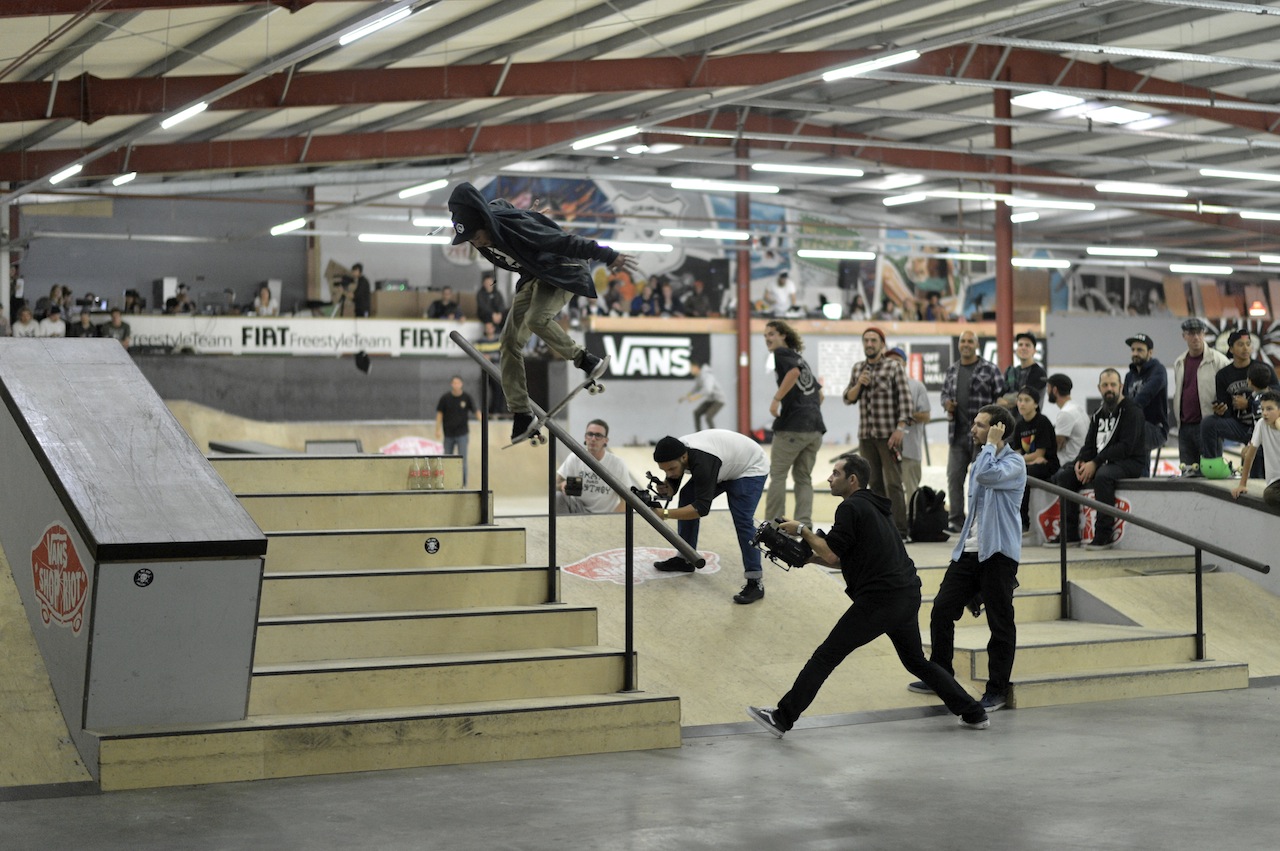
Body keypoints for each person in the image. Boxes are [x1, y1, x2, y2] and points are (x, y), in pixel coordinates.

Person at [746, 452, 990, 739]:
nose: (829, 478)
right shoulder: (873, 505)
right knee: (916, 662)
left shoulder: (850, 508)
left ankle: (781, 717)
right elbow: (841, 558)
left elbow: (831, 553)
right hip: (905, 593)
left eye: (836, 473)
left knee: (826, 656)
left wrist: (802, 530)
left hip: (881, 599)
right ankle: (974, 713)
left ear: (852, 479)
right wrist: (809, 558)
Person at [447, 181, 635, 443]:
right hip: (533, 276)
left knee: (537, 319)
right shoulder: (484, 231)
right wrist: (525, 213)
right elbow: (499, 205)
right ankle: (521, 413)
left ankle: (585, 359)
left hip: (562, 269)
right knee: (508, 341)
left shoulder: (517, 229)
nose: (477, 243)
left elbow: (565, 241)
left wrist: (607, 255)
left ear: (485, 224)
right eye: (471, 240)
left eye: (477, 236)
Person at [908, 404, 1025, 712]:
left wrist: (991, 446)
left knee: (1000, 624)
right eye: (974, 424)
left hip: (998, 553)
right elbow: (974, 510)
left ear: (998, 430)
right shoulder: (979, 461)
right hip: (969, 552)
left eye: (981, 425)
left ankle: (997, 690)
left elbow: (987, 475)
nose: (973, 429)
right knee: (942, 609)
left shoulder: (1014, 463)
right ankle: (941, 675)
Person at [649, 430, 769, 604]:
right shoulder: (678, 451)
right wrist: (669, 488)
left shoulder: (703, 461)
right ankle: (686, 558)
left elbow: (701, 509)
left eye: (671, 469)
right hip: (724, 465)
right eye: (664, 470)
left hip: (750, 468)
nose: (668, 473)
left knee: (743, 521)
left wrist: (665, 514)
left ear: (684, 457)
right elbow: (675, 477)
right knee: (687, 497)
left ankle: (755, 581)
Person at [1047, 369, 1148, 549]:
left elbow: (1126, 447)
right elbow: (1089, 445)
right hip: (1102, 460)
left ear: (1121, 386)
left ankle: (1103, 534)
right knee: (1066, 475)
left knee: (1103, 476)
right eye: (1105, 385)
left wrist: (1095, 462)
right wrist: (1080, 462)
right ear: (1099, 388)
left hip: (1130, 462)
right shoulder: (1098, 413)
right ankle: (1069, 534)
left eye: (1113, 385)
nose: (1109, 388)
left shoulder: (1133, 411)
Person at [842, 326, 913, 537]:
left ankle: (900, 530)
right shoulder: (858, 368)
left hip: (888, 435)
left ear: (882, 344)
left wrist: (900, 429)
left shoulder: (893, 367)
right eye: (866, 341)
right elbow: (848, 398)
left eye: (874, 340)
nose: (869, 344)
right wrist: (859, 384)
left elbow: (905, 401)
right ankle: (881, 527)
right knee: (873, 483)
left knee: (893, 483)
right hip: (866, 435)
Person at [940, 330, 1005, 533]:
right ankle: (956, 520)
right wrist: (947, 403)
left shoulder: (990, 370)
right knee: (954, 477)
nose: (966, 344)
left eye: (970, 341)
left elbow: (1001, 399)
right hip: (957, 434)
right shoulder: (952, 370)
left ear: (977, 345)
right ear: (959, 345)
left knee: (979, 478)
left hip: (983, 437)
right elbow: (944, 395)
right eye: (963, 341)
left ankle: (978, 519)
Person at [764, 320, 825, 527]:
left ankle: (774, 525)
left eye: (771, 334)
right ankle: (804, 525)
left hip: (793, 426)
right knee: (803, 477)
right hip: (815, 427)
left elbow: (793, 373)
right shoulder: (800, 358)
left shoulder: (780, 354)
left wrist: (776, 399)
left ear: (783, 335)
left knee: (778, 475)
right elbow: (820, 395)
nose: (767, 339)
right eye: (765, 336)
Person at [1199, 330, 1270, 477]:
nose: (1245, 348)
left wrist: (1248, 403)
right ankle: (1213, 467)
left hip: (1263, 427)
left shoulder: (1263, 368)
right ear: (1231, 349)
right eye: (1240, 344)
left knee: (1254, 469)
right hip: (1239, 425)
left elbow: (1276, 396)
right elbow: (1226, 410)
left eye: (1248, 344)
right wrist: (1221, 410)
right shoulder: (1223, 375)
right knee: (1209, 423)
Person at [1172, 317, 1228, 477]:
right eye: (1191, 333)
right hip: (1185, 427)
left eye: (1199, 333)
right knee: (1187, 475)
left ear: (1204, 334)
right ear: (1184, 336)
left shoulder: (1219, 361)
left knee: (1211, 475)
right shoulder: (1179, 362)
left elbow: (1229, 392)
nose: (1195, 337)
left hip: (1209, 427)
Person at [555, 419, 640, 514]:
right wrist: (562, 485)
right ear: (585, 437)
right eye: (590, 434)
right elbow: (555, 484)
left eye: (598, 435)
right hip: (579, 511)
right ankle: (563, 523)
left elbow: (626, 499)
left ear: (605, 440)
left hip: (606, 514)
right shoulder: (574, 458)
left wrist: (612, 519)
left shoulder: (617, 464)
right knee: (558, 496)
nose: (593, 439)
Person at [886, 346, 931, 500]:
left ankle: (912, 516)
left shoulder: (917, 386)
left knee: (911, 494)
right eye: (889, 361)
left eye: (897, 361)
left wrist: (904, 416)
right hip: (886, 451)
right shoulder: (880, 387)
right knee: (887, 493)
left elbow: (926, 416)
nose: (893, 364)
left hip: (910, 451)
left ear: (905, 364)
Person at [1012, 386, 1059, 533]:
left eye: (1027, 400)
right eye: (1020, 400)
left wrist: (1022, 460)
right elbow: (1017, 452)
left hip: (1048, 465)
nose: (1022, 404)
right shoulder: (1019, 425)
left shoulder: (1042, 422)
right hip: (1029, 464)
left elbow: (1040, 454)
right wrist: (1022, 460)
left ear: (1036, 404)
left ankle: (1023, 522)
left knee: (1022, 474)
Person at [1122, 332, 1169, 466]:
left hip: (1156, 429)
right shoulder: (1129, 376)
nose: (1135, 353)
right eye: (1133, 350)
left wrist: (1125, 414)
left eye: (1140, 350)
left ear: (1150, 352)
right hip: (1134, 426)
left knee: (1134, 429)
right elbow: (1123, 401)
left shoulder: (1158, 371)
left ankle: (1141, 477)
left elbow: (1145, 396)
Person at [1233, 391, 1280, 508]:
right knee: (1270, 495)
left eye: (1269, 409)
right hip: (1276, 482)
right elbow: (1250, 455)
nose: (1264, 413)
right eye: (1262, 409)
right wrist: (1242, 484)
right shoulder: (1261, 424)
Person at [435, 376, 479, 486]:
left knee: (462, 459)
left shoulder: (466, 397)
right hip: (448, 434)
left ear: (461, 384)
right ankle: (446, 482)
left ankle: (463, 484)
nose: (456, 385)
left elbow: (475, 410)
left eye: (458, 383)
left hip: (462, 433)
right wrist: (437, 429)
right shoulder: (445, 398)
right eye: (454, 383)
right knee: (447, 459)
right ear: (451, 384)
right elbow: (439, 414)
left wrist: (483, 421)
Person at [1046, 374, 1088, 469]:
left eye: (1048, 387)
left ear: (1054, 390)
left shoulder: (1065, 413)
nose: (1047, 391)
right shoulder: (1077, 408)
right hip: (1078, 461)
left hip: (1069, 464)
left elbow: (1057, 445)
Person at [1000, 331, 1047, 408]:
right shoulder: (1011, 372)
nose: (1023, 348)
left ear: (1034, 351)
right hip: (1009, 416)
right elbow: (998, 399)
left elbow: (1025, 399)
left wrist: (1006, 399)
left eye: (1027, 345)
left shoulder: (1039, 373)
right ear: (1016, 349)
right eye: (1020, 345)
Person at [679, 362, 725, 431]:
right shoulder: (699, 377)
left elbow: (708, 390)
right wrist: (686, 396)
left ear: (696, 367)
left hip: (718, 400)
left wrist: (694, 398)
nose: (690, 371)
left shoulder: (707, 376)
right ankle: (698, 433)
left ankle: (714, 434)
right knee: (697, 413)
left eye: (691, 368)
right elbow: (696, 388)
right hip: (710, 400)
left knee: (708, 417)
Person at [473, 320, 505, 415]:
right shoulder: (480, 341)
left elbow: (503, 354)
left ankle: (496, 410)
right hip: (485, 370)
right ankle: (489, 411)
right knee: (485, 391)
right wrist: (483, 357)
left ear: (494, 328)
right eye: (486, 328)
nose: (488, 329)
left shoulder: (499, 340)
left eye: (490, 327)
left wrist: (490, 357)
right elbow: (475, 353)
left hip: (497, 369)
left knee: (498, 390)